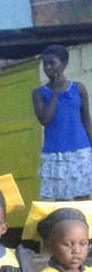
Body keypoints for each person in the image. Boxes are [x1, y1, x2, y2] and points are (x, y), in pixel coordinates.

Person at [32, 45, 92, 200]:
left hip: (80, 152)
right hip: (55, 153)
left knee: (83, 200)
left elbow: (87, 121)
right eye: (45, 64)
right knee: (62, 202)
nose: (48, 67)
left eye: (52, 63)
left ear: (64, 64)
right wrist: (56, 92)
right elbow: (45, 119)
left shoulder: (79, 88)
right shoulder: (39, 93)